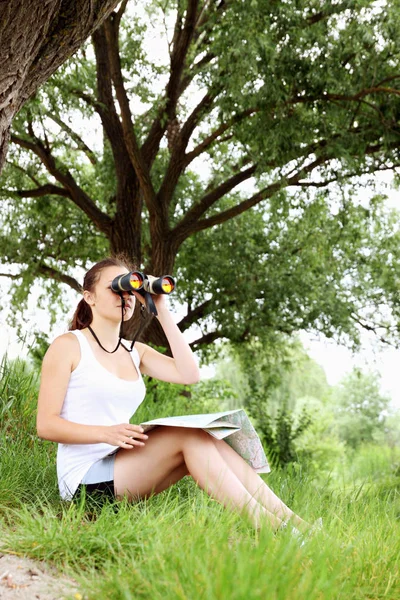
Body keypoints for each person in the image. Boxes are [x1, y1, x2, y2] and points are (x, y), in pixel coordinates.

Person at [36, 256, 311, 536]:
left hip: (121, 465)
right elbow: (46, 424)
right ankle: (276, 530)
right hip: (83, 481)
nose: (126, 296)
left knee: (209, 436)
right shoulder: (68, 346)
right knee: (188, 436)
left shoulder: (135, 352)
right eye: (115, 288)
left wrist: (161, 309)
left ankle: (300, 528)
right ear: (89, 297)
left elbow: (189, 374)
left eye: (130, 289)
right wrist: (106, 433)